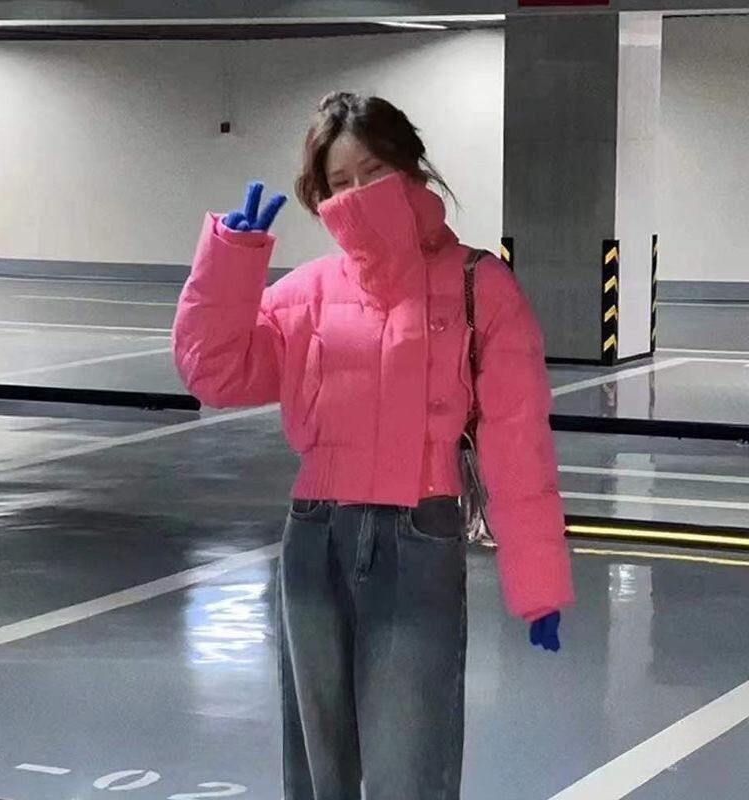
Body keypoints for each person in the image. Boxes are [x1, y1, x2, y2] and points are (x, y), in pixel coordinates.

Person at [172, 92, 574, 800]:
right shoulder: (307, 293)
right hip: (314, 537)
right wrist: (229, 264)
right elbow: (215, 373)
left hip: (419, 537)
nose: (358, 194)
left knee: (408, 769)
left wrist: (537, 581)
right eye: (339, 182)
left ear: (410, 166)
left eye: (374, 172)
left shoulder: (480, 286)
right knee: (317, 768)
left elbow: (518, 448)